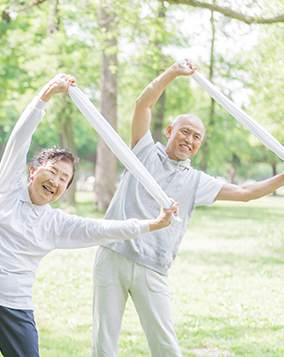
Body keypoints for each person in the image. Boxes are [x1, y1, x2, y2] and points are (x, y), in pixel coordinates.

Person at [0, 74, 179, 357]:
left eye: (64, 179)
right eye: (52, 171)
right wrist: (45, 95)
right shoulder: (7, 187)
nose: (55, 181)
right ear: (33, 171)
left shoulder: (56, 224)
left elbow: (101, 229)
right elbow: (20, 138)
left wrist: (151, 224)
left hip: (13, 302)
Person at [90, 59, 284, 357]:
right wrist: (172, 73)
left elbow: (245, 192)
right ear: (170, 130)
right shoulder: (144, 151)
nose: (189, 140)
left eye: (196, 137)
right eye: (185, 131)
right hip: (113, 255)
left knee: (166, 348)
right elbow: (143, 105)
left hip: (152, 267)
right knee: (104, 346)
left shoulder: (196, 181)